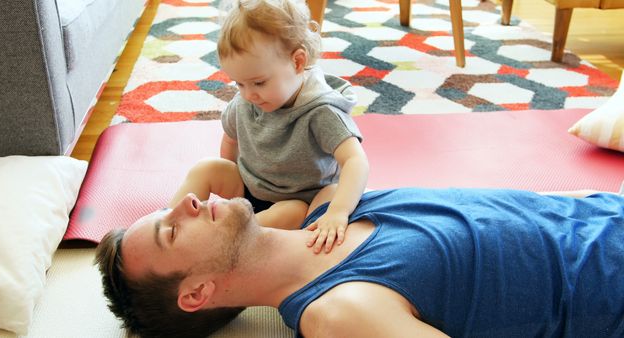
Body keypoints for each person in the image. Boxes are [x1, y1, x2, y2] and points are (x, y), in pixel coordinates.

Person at [95, 184, 624, 338]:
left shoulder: (333, 205)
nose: (186, 202)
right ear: (197, 293)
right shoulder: (341, 313)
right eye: (170, 230)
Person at [173, 0, 369, 253]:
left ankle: (219, 241)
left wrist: (338, 212)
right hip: (251, 187)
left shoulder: (322, 111)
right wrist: (234, 197)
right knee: (206, 168)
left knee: (294, 210)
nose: (248, 94)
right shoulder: (246, 99)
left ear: (298, 62)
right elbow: (231, 139)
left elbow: (356, 161)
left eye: (258, 82)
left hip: (300, 200)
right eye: (239, 84)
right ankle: (171, 224)